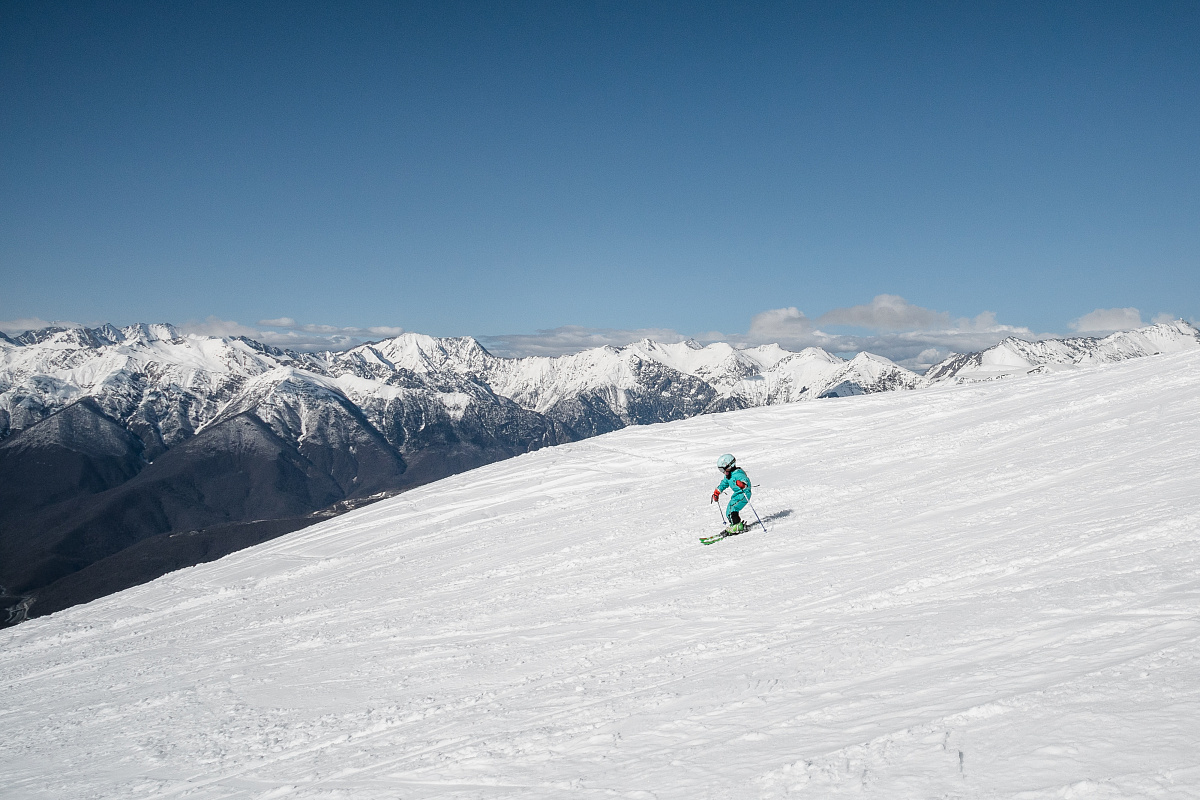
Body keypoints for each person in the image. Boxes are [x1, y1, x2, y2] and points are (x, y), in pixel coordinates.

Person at [711, 453, 752, 534]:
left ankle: (738, 525)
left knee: (733, 509)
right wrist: (717, 492)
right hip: (737, 495)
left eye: (723, 470)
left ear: (729, 466)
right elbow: (724, 483)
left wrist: (742, 484)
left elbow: (745, 480)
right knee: (729, 510)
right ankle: (734, 524)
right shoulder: (729, 475)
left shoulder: (738, 474)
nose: (723, 472)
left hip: (744, 494)